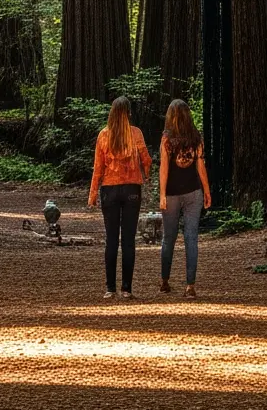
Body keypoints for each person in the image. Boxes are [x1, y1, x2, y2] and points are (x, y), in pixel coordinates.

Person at [87, 95, 152, 300]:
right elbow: (146, 159)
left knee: (112, 240)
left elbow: (98, 167)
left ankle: (109, 288)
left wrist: (93, 194)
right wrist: (146, 174)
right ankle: (126, 289)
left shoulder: (104, 135)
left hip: (110, 190)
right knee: (129, 240)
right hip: (132, 188)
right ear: (129, 113)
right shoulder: (136, 133)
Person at [157, 97, 211, 298]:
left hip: (171, 194)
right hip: (193, 192)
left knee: (168, 238)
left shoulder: (167, 139)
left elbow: (164, 169)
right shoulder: (196, 137)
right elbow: (200, 166)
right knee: (191, 238)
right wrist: (206, 191)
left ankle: (164, 281)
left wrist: (162, 194)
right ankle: (190, 286)